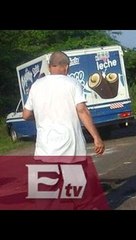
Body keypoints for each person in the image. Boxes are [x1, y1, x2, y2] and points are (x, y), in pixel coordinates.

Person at [23, 51, 106, 209]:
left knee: (43, 196)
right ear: (67, 67)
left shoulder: (36, 86)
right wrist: (96, 137)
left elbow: (26, 115)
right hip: (71, 150)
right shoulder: (72, 83)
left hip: (45, 151)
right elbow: (82, 111)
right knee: (79, 195)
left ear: (49, 67)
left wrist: (41, 114)